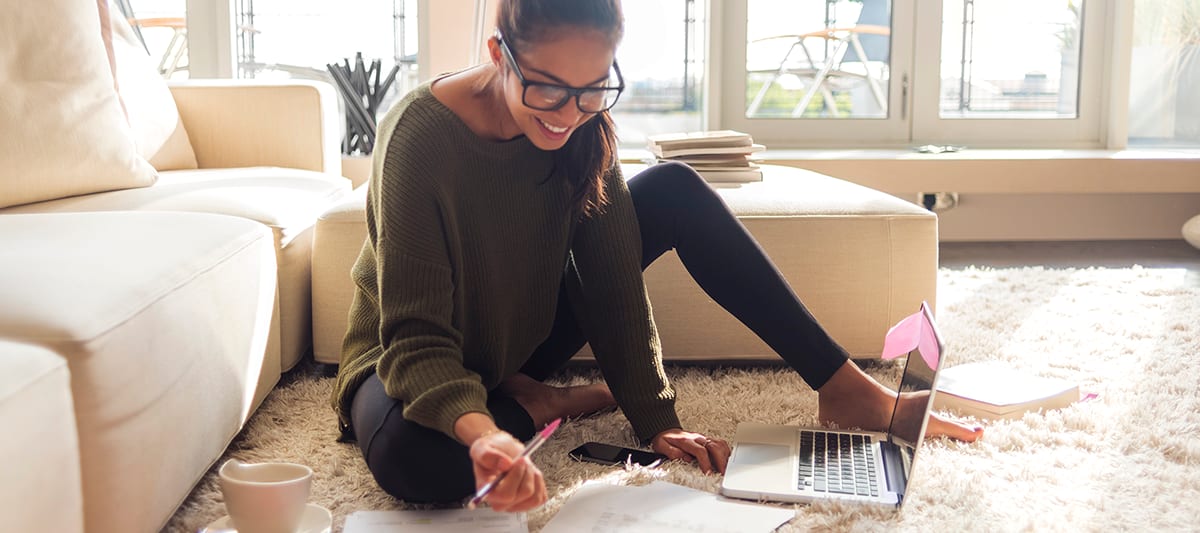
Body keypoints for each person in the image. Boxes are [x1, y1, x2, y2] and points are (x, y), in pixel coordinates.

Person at [331, 0, 982, 513]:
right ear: (498, 53)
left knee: (672, 188)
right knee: (422, 462)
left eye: (593, 89)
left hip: (513, 341)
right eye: (549, 89)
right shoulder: (419, 137)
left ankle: (845, 388)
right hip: (405, 358)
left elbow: (612, 282)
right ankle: (536, 406)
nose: (569, 114)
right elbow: (416, 341)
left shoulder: (582, 121)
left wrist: (656, 419)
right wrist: (487, 432)